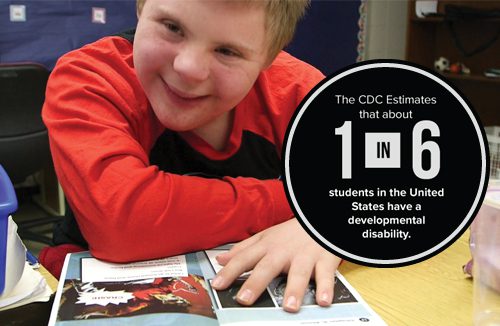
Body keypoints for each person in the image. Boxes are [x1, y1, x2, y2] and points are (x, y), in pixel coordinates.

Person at [41, 0, 341, 312]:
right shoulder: (91, 78)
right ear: (141, 8)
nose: (188, 68)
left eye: (227, 51)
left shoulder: (297, 91)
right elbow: (123, 220)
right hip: (96, 281)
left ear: (269, 56)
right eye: (172, 28)